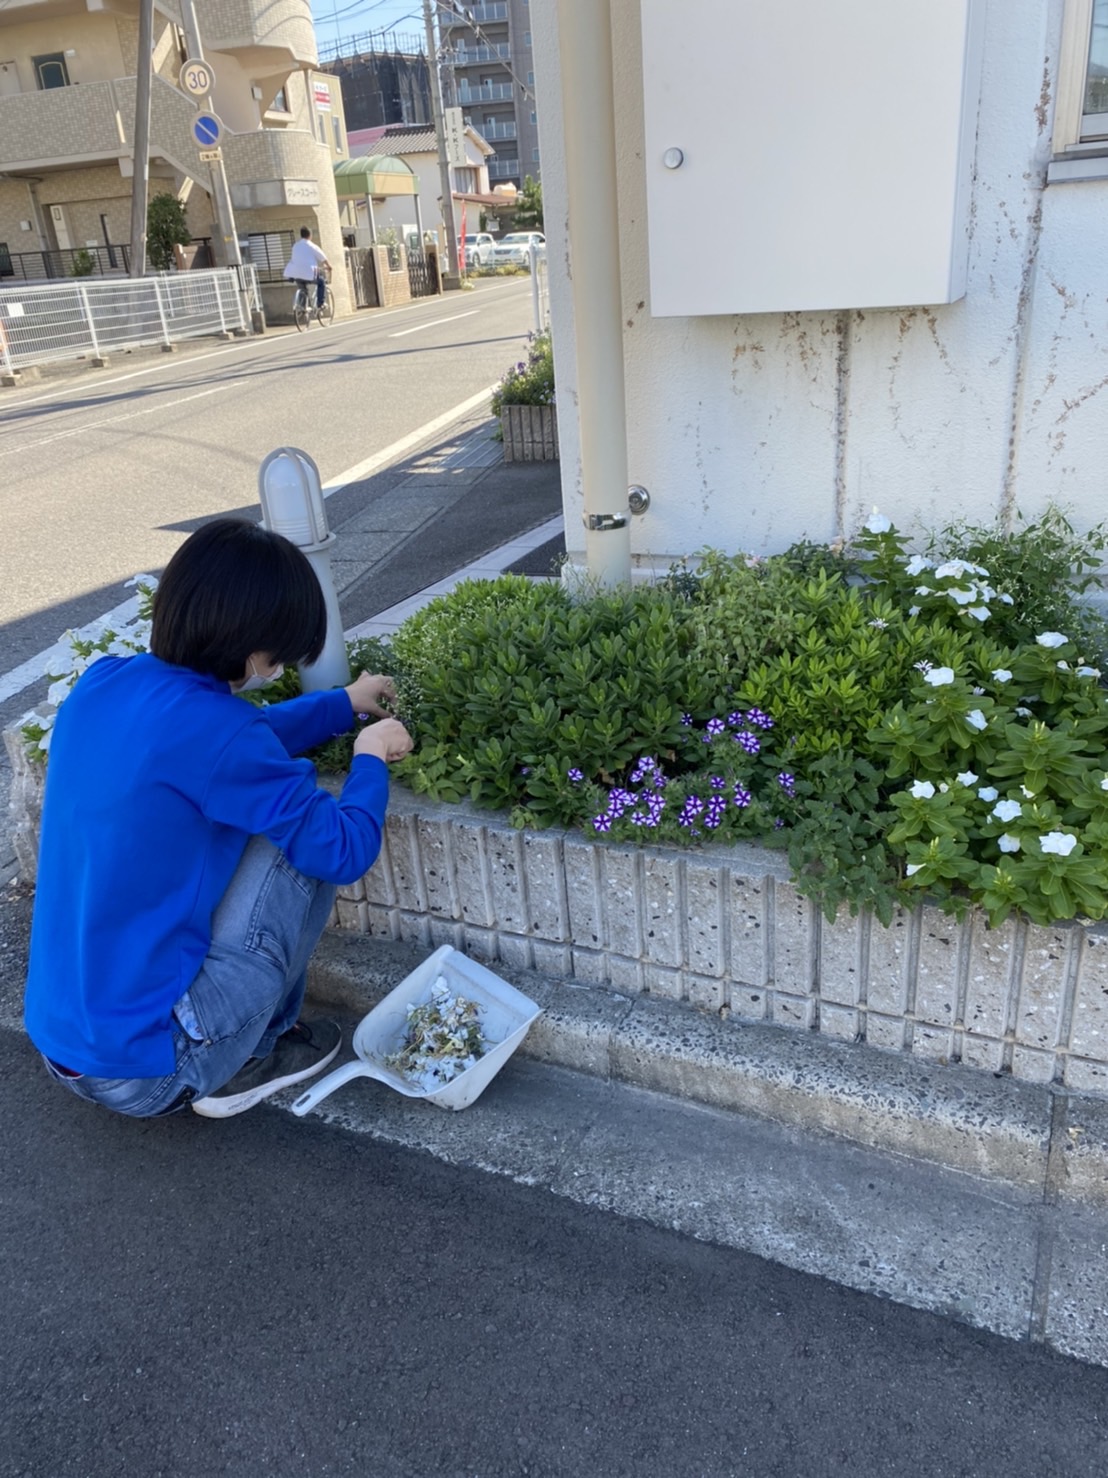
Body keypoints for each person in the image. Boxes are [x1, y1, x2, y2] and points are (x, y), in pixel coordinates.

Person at [23, 518, 413, 1120]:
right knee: (304, 837)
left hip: (65, 1044)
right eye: (281, 654)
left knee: (275, 814)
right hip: (152, 1069)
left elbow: (229, 744)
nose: (281, 665)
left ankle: (235, 1044)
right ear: (255, 650)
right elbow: (342, 849)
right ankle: (256, 1054)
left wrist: (340, 706)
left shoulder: (104, 684)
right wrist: (369, 757)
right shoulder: (219, 735)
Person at [283, 225, 330, 310]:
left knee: (302, 288)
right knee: (321, 281)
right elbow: (322, 257)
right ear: (310, 235)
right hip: (309, 273)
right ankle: (321, 303)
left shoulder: (295, 246)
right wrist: (329, 266)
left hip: (295, 274)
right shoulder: (311, 245)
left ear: (301, 235)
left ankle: (303, 307)